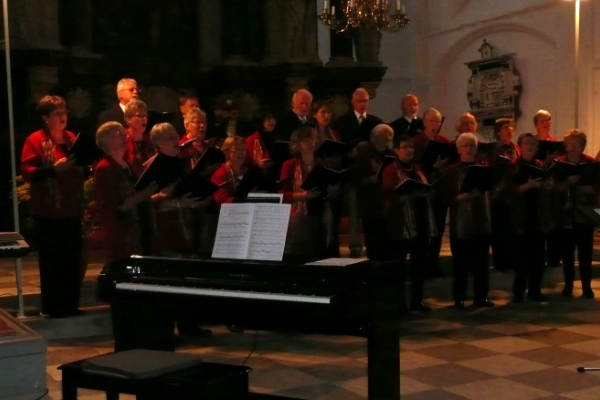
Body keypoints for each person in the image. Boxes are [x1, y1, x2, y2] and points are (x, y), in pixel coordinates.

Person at [21, 95, 84, 318]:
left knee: (72, 260)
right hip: (48, 211)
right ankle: (53, 307)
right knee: (52, 262)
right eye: (57, 113)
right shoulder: (35, 140)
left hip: (71, 208)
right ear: (46, 117)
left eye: (64, 112)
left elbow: (79, 164)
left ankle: (70, 305)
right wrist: (53, 169)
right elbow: (28, 171)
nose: (63, 117)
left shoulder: (70, 138)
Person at [382, 135, 437, 313]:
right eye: (404, 147)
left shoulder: (418, 168)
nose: (409, 150)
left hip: (420, 221)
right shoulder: (390, 169)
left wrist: (427, 192)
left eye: (411, 147)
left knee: (418, 266)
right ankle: (399, 303)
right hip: (400, 224)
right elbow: (389, 194)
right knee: (400, 267)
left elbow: (425, 187)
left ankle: (416, 300)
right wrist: (406, 197)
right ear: (396, 151)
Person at [441, 132, 494, 309]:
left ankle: (481, 297)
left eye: (472, 145)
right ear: (458, 149)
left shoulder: (484, 168)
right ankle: (459, 298)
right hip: (462, 223)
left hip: (481, 221)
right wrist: (462, 197)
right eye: (465, 146)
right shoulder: (452, 171)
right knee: (460, 265)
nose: (469, 149)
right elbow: (446, 197)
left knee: (482, 264)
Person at [93, 122, 157, 264]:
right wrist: (141, 196)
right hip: (123, 234)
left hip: (141, 228)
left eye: (125, 134)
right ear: (106, 140)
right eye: (119, 135)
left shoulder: (128, 163)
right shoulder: (104, 168)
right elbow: (111, 207)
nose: (125, 138)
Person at [504, 133, 553, 302]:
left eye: (533, 143)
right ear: (520, 146)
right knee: (522, 258)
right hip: (521, 216)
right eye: (526, 143)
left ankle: (535, 290)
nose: (530, 146)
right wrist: (527, 186)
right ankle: (518, 292)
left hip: (538, 216)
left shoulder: (540, 165)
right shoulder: (513, 166)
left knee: (538, 258)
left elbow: (546, 189)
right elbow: (509, 191)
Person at [554, 129, 599, 299]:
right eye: (568, 144)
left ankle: (587, 286)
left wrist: (578, 184)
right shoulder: (560, 162)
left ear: (581, 146)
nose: (570, 147)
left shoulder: (590, 163)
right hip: (565, 213)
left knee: (585, 253)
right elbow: (556, 188)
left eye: (574, 144)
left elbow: (595, 188)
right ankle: (568, 286)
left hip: (585, 215)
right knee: (567, 253)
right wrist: (567, 182)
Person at [412, 108, 451, 278]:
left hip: (440, 188)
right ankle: (421, 266)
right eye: (431, 121)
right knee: (423, 229)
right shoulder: (416, 141)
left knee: (439, 228)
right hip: (423, 189)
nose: (434, 124)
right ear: (424, 122)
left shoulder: (443, 140)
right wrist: (431, 167)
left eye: (437, 121)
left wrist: (443, 166)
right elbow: (413, 164)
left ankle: (433, 265)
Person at [279, 127, 327, 257]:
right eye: (306, 140)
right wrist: (302, 196)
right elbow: (281, 194)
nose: (311, 143)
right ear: (297, 144)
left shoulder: (321, 163)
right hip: (299, 216)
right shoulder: (289, 165)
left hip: (320, 212)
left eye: (312, 139)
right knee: (301, 253)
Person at [352, 124, 394, 260]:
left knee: (389, 240)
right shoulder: (364, 154)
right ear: (375, 138)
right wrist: (368, 179)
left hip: (388, 202)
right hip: (370, 202)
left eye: (390, 135)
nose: (388, 137)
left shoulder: (392, 155)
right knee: (374, 239)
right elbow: (356, 176)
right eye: (384, 134)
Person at [489, 117, 520, 271]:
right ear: (498, 131)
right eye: (505, 127)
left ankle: (512, 260)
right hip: (499, 194)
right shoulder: (495, 149)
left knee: (512, 229)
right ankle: (500, 262)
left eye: (511, 126)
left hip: (513, 194)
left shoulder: (516, 148)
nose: (509, 129)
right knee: (499, 230)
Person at [533, 109, 562, 268]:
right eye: (542, 121)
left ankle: (554, 257)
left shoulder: (555, 142)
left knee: (554, 221)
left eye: (548, 120)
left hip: (552, 186)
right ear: (536, 124)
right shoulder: (532, 142)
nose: (545, 123)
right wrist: (547, 160)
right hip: (537, 186)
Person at [210, 135, 250, 205]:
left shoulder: (248, 172)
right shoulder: (220, 174)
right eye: (237, 149)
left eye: (244, 149)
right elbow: (221, 200)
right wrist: (243, 200)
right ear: (227, 152)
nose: (242, 152)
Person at [123, 99, 156, 177]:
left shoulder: (150, 140)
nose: (144, 119)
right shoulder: (122, 140)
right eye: (139, 116)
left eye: (145, 116)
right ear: (128, 119)